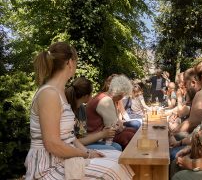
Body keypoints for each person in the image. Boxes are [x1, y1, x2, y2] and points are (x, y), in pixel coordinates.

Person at [24, 42, 134, 179]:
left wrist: (87, 152)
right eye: (76, 62)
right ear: (70, 62)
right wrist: (86, 154)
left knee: (118, 157)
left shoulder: (60, 92)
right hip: (48, 166)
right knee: (112, 169)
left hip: (64, 158)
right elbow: (52, 144)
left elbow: (71, 137)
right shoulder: (49, 94)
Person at [65, 77, 122, 151]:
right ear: (86, 96)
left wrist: (103, 132)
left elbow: (82, 136)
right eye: (91, 94)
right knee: (113, 149)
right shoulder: (67, 109)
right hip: (73, 147)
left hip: (83, 143)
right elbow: (74, 142)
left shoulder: (81, 109)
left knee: (117, 146)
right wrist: (102, 134)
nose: (92, 97)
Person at [86, 74, 137, 149]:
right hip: (96, 137)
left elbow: (115, 125)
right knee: (129, 136)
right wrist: (120, 126)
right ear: (121, 94)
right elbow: (113, 127)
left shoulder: (103, 96)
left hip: (98, 134)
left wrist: (119, 126)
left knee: (132, 131)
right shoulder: (106, 100)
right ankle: (128, 158)